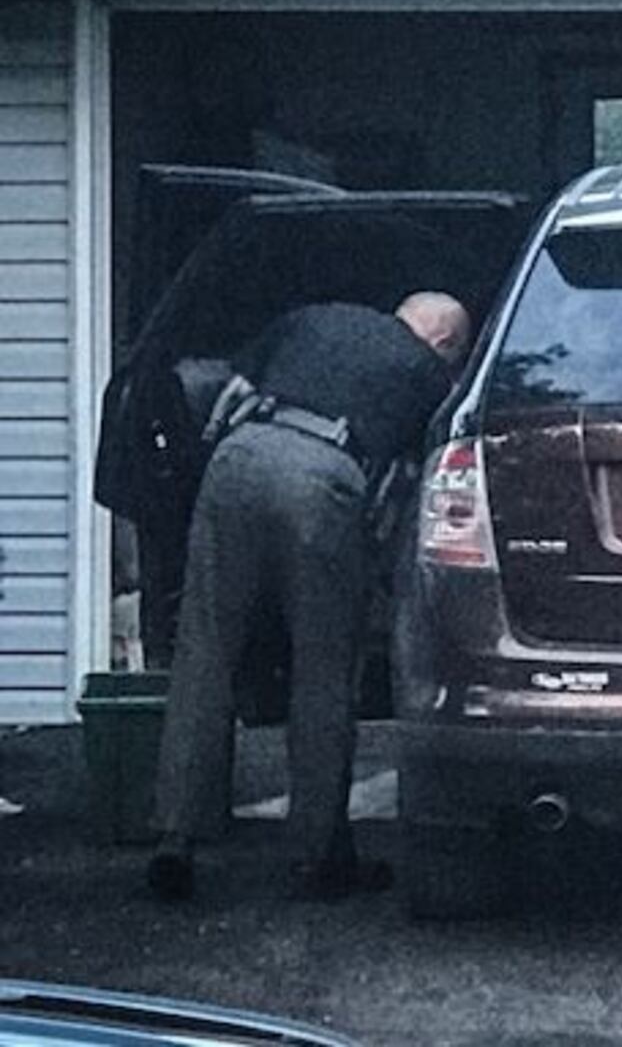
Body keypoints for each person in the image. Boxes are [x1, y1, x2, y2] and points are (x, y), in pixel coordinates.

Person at [147, 292, 472, 901]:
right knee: (322, 669)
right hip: (323, 480)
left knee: (205, 652)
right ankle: (320, 857)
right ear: (445, 344)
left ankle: (175, 840)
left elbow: (225, 385)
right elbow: (415, 486)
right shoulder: (429, 375)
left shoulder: (315, 318)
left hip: (237, 462)